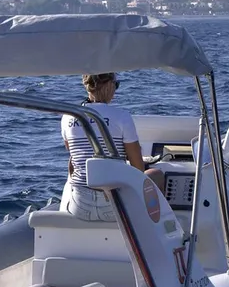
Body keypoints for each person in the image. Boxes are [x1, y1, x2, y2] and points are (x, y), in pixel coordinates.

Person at [61, 72, 165, 222]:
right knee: (156, 174)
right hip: (113, 208)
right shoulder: (121, 116)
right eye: (116, 85)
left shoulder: (68, 116)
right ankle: (156, 227)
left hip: (79, 207)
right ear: (109, 85)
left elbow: (73, 156)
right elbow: (138, 170)